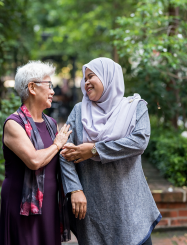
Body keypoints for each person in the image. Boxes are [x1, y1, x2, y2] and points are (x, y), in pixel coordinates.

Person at [60, 57, 161, 245]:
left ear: (108, 77)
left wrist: (95, 150)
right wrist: (74, 189)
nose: (86, 82)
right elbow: (65, 152)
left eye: (91, 76)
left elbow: (139, 142)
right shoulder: (79, 111)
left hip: (129, 203)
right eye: (85, 78)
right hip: (93, 205)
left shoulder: (134, 107)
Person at [0, 61, 72, 245]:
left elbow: (58, 160)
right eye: (49, 85)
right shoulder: (14, 124)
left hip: (48, 206)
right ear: (32, 87)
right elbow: (33, 160)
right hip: (22, 206)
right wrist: (57, 144)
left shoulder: (51, 123)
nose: (53, 91)